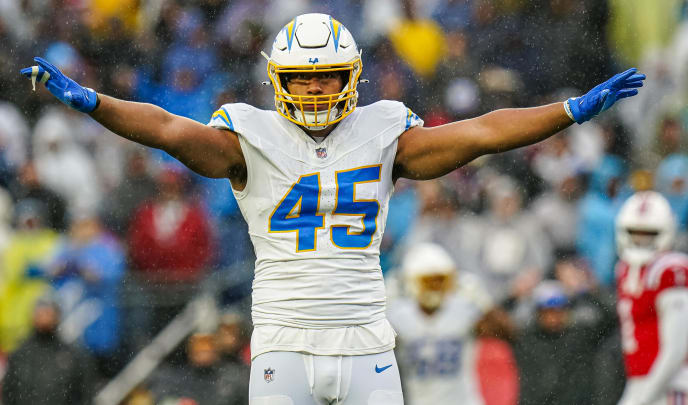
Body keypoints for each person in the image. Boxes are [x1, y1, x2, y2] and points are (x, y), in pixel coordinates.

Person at [20, 12, 645, 404]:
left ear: (351, 77)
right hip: (283, 347)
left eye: (326, 77)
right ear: (278, 81)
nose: (316, 89)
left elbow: (482, 132)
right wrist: (94, 102)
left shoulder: (383, 134)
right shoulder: (250, 139)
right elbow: (166, 128)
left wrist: (565, 111)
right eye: (302, 78)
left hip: (366, 344)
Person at [614, 191, 688, 405]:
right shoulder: (625, 269)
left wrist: (644, 397)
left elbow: (676, 350)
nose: (640, 241)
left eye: (648, 234)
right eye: (635, 233)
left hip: (672, 384)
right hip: (640, 381)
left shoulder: (670, 270)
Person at [386, 242, 496, 405]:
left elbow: (508, 333)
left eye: (439, 281)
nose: (435, 288)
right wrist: (382, 306)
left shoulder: (462, 308)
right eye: (428, 281)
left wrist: (487, 307)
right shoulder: (399, 314)